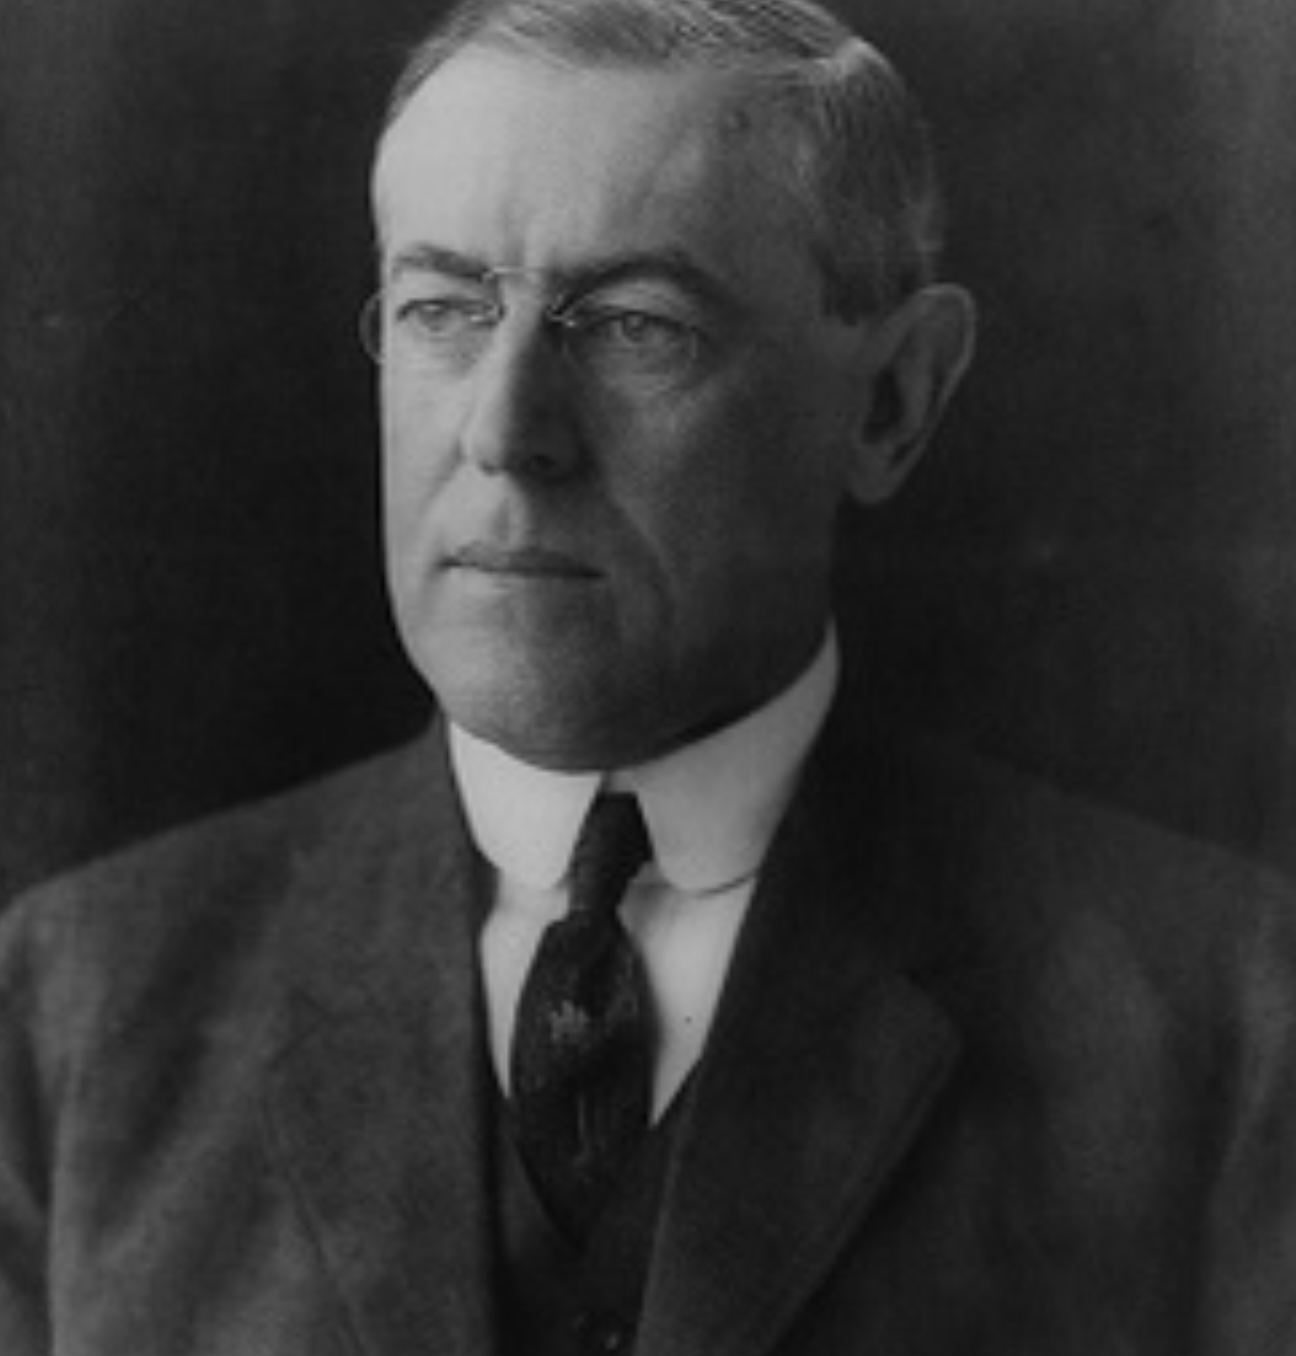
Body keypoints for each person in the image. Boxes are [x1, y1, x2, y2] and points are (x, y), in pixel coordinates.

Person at [2, 0, 1295, 1351]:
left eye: (633, 325)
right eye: (444, 309)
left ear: (892, 400)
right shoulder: (75, 1009)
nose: (506, 431)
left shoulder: (1228, 1027)